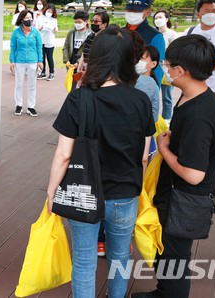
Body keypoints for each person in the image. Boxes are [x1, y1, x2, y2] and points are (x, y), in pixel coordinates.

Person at [47, 26, 154, 298]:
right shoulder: (140, 100)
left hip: (84, 193)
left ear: (96, 57)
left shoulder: (80, 97)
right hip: (125, 194)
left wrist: (51, 192)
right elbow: (143, 156)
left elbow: (64, 154)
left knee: (84, 259)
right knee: (119, 257)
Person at [131, 35, 215, 298]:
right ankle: (163, 290)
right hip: (174, 194)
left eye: (168, 64)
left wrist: (162, 149)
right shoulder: (192, 97)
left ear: (182, 71)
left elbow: (194, 175)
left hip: (184, 199)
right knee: (169, 253)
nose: (165, 68)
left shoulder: (200, 116)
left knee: (176, 258)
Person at [124, 0, 165, 87]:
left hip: (142, 86)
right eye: (129, 10)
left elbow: (158, 68)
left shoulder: (155, 36)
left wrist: (153, 90)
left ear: (147, 12)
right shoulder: (120, 32)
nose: (131, 14)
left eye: (136, 11)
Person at [9, 9, 43, 117]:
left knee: (32, 85)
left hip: (33, 61)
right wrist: (12, 61)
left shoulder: (36, 32)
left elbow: (39, 47)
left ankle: (31, 106)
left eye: (30, 17)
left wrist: (40, 60)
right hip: (20, 61)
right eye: (27, 17)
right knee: (19, 84)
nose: (29, 20)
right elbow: (13, 47)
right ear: (22, 19)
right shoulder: (16, 33)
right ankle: (18, 105)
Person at [154, 10, 178, 121]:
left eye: (160, 17)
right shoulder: (154, 34)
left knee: (166, 97)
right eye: (156, 18)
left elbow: (175, 53)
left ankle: (166, 120)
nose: (158, 20)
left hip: (167, 70)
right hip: (154, 68)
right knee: (153, 95)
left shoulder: (172, 35)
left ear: (167, 19)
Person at [62, 10, 90, 89]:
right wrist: (66, 60)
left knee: (82, 85)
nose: (77, 24)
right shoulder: (71, 33)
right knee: (71, 85)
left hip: (82, 65)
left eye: (79, 22)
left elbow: (88, 51)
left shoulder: (90, 34)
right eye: (75, 22)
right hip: (71, 64)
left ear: (86, 22)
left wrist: (79, 63)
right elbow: (66, 47)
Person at [35, 3, 58, 81]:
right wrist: (41, 28)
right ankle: (43, 72)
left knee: (49, 57)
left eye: (51, 12)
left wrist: (55, 29)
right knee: (42, 57)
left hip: (50, 40)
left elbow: (55, 29)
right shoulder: (40, 17)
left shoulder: (54, 20)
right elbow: (36, 28)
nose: (49, 13)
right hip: (41, 40)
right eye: (48, 11)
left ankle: (51, 73)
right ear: (45, 10)